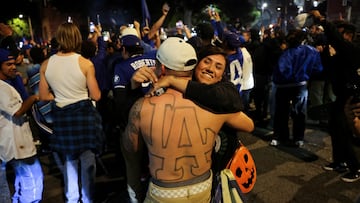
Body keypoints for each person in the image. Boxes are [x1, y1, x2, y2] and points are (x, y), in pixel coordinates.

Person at [123, 37, 254, 202]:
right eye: (207, 62)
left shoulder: (143, 107)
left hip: (164, 191)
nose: (211, 69)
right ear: (194, 66)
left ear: (161, 68)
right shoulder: (217, 107)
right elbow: (249, 125)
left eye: (218, 66)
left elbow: (131, 154)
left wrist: (135, 193)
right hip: (203, 187)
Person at [39, 22, 104, 202]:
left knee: (69, 162)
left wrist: (62, 96)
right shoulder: (85, 63)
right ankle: (88, 198)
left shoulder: (46, 64)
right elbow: (96, 95)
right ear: (77, 39)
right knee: (88, 162)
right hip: (83, 118)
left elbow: (43, 95)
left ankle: (72, 199)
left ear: (59, 39)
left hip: (62, 119)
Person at [311, 10, 360, 182]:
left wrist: (322, 19)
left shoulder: (353, 50)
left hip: (351, 98)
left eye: (339, 35)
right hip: (340, 97)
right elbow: (330, 68)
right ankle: (339, 162)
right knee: (336, 130)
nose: (334, 40)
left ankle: (355, 168)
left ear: (348, 35)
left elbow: (336, 40)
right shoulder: (341, 53)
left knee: (346, 133)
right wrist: (324, 52)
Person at [0, 48, 44, 203]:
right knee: (32, 182)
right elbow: (17, 112)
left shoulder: (9, 83)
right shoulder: (1, 88)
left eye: (13, 63)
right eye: (8, 64)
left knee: (25, 182)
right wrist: (34, 98)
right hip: (16, 145)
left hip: (20, 143)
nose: (13, 67)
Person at [270, 29, 323, 147]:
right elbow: (318, 69)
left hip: (283, 86)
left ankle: (280, 136)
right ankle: (298, 138)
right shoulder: (311, 51)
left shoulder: (285, 53)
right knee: (299, 112)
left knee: (281, 112)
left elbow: (280, 71)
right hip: (301, 85)